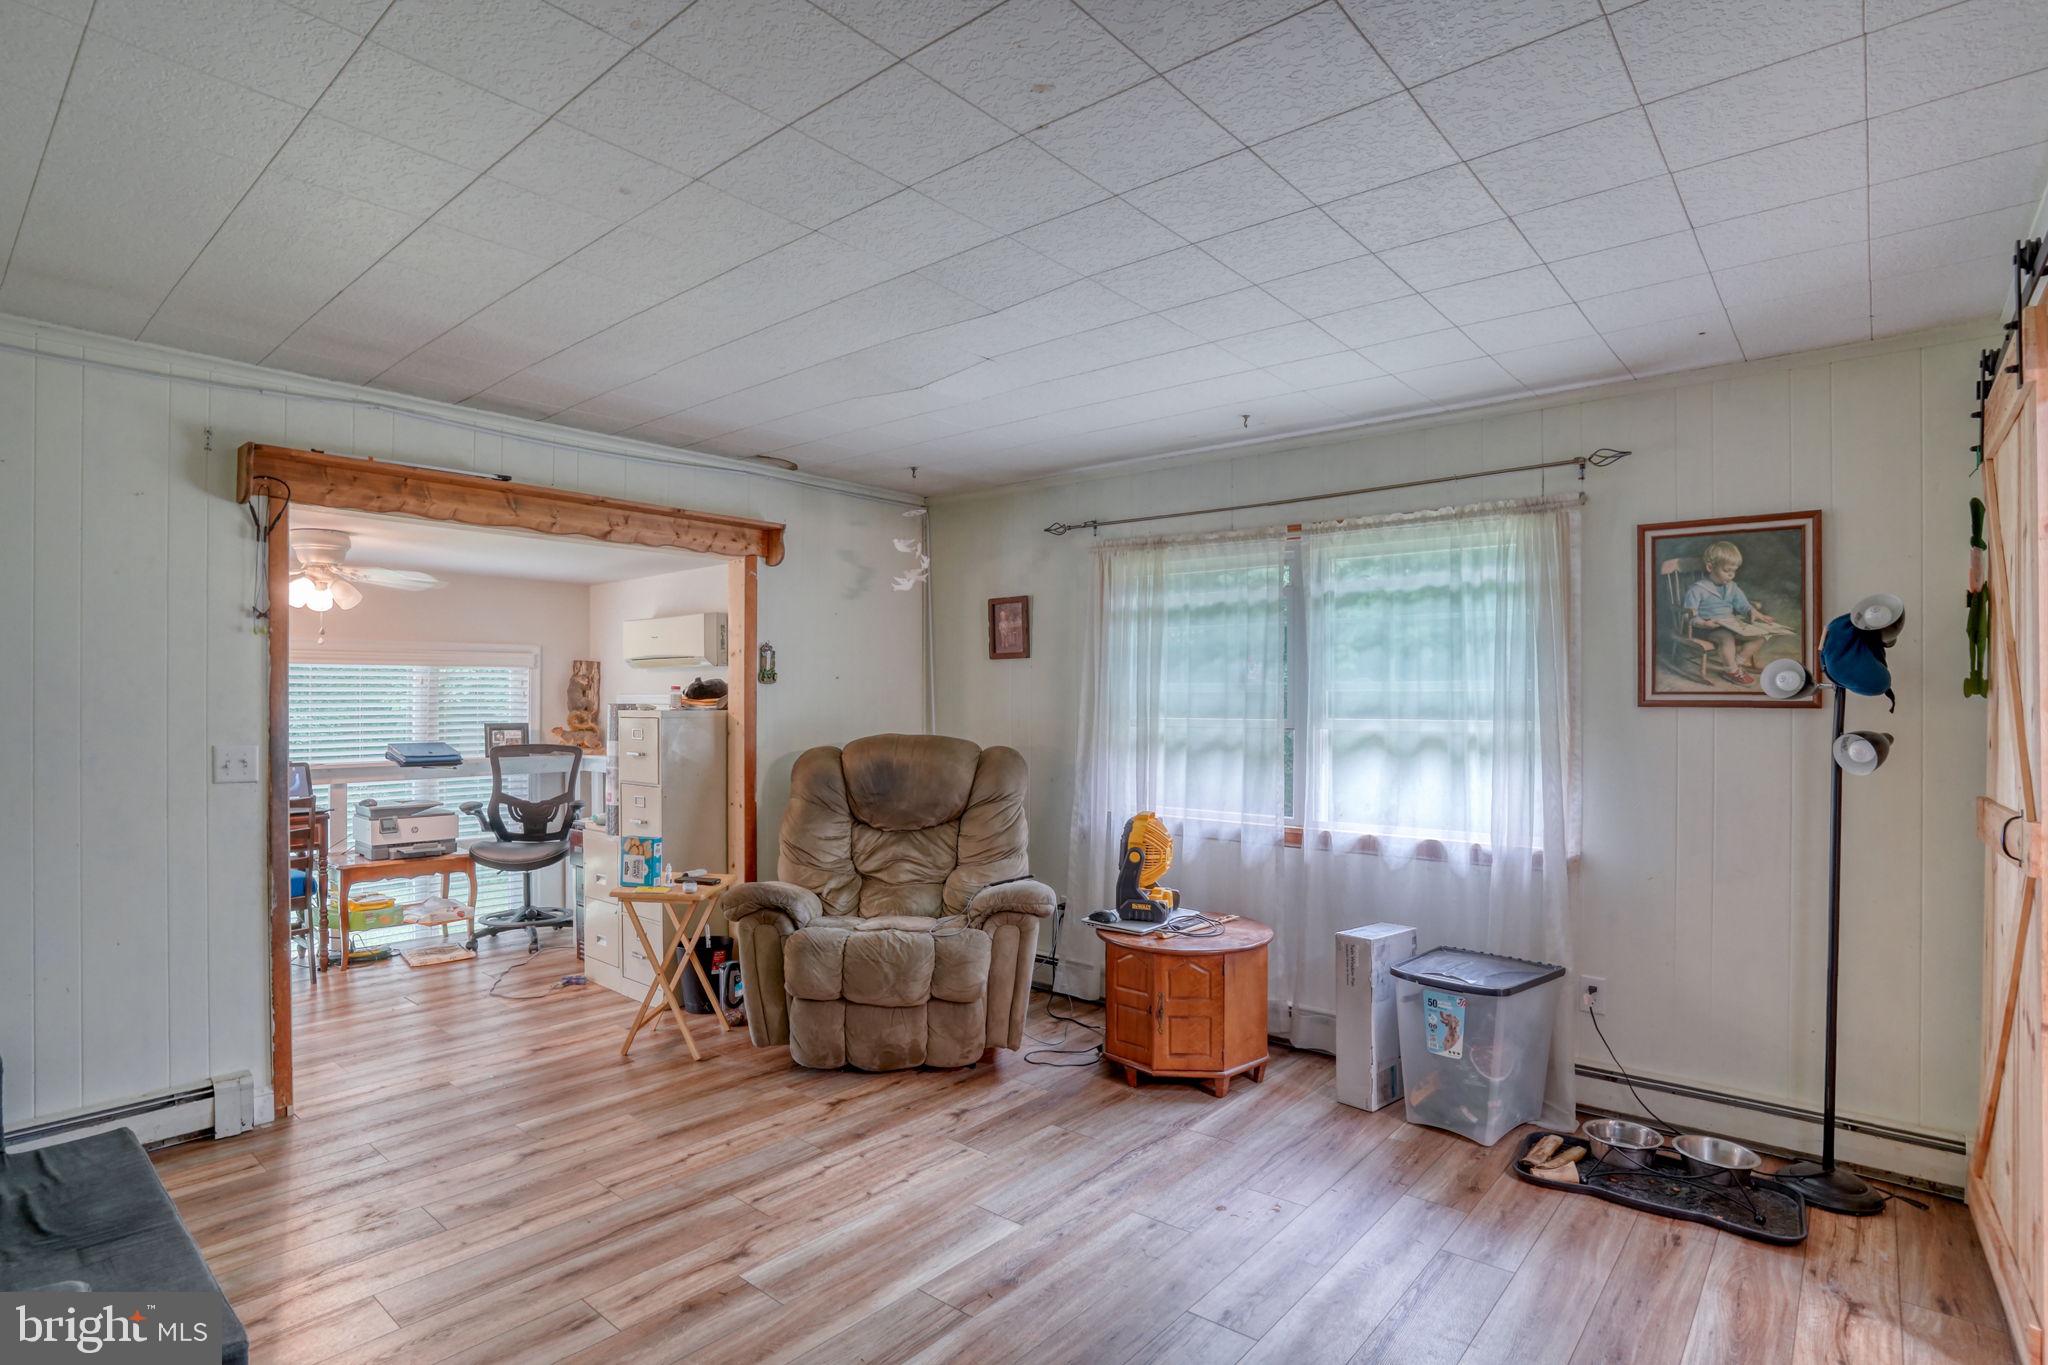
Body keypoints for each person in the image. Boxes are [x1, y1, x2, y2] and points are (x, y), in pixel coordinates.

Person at [1682, 540, 1779, 685]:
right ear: (1710, 567)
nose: (1731, 575)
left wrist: (1753, 612)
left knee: (1763, 635)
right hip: (1707, 628)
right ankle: (1732, 671)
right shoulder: (1697, 589)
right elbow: (1688, 615)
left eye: (1734, 571)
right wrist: (1703, 623)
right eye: (1727, 571)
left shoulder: (1732, 587)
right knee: (1726, 638)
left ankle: (1735, 662)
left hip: (1731, 624)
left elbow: (1743, 605)